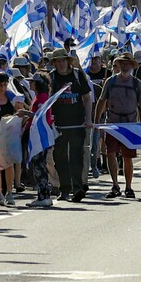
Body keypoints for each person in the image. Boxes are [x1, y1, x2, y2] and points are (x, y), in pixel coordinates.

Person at [95, 52, 141, 199]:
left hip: (130, 125)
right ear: (118, 65)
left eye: (128, 63)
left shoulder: (137, 83)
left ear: (132, 65)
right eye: (122, 63)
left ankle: (129, 187)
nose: (125, 66)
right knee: (110, 153)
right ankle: (115, 185)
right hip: (112, 123)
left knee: (127, 157)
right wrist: (97, 120)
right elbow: (102, 101)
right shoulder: (110, 82)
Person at [49, 49, 93, 203]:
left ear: (68, 61)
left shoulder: (77, 75)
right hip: (59, 126)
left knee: (76, 157)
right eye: (58, 61)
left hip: (77, 124)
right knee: (59, 158)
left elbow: (87, 98)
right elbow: (46, 102)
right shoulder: (52, 78)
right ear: (54, 63)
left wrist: (88, 119)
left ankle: (78, 188)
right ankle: (64, 189)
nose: (61, 64)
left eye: (63, 60)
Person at [0, 73, 25, 205]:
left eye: (5, 84)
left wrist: (20, 110)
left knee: (8, 163)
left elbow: (20, 111)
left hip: (7, 134)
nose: (2, 87)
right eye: (0, 85)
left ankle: (9, 192)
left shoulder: (12, 97)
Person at [22, 73, 55, 208]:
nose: (30, 84)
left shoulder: (42, 97)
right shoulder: (39, 96)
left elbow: (39, 115)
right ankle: (44, 194)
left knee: (38, 164)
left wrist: (25, 113)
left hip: (38, 134)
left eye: (32, 82)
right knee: (38, 164)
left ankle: (43, 195)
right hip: (36, 133)